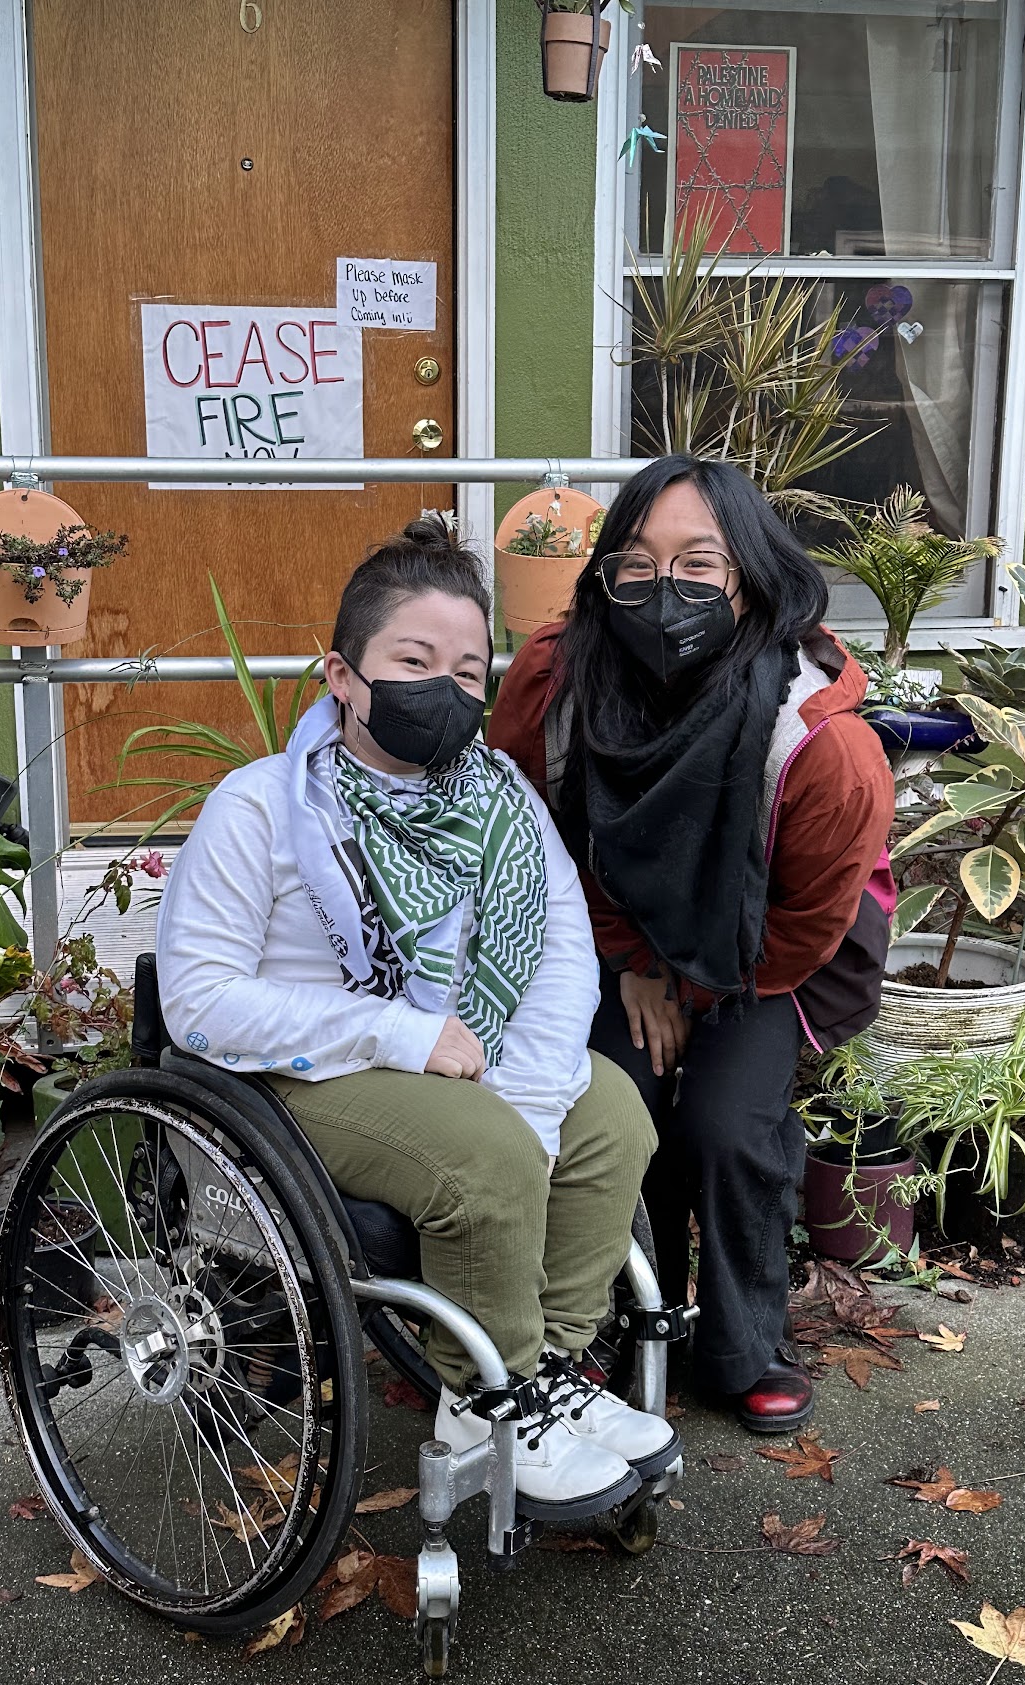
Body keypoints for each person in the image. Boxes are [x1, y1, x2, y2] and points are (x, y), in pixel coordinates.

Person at [155, 515, 680, 1521]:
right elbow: (201, 1000)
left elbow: (561, 953)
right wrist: (402, 1035)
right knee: (481, 1153)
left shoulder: (501, 799)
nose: (444, 687)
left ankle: (541, 1373)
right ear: (342, 675)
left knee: (610, 1108)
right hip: (290, 1072)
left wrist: (527, 1086)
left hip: (455, 1058)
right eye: (413, 658)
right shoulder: (260, 807)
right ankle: (484, 1397)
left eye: (467, 668)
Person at [488, 457, 896, 1434]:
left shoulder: (822, 744)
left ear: (747, 578)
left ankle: (740, 1344)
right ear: (601, 577)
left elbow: (806, 920)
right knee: (610, 1103)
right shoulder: (555, 677)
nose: (661, 590)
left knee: (722, 1121)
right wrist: (634, 961)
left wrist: (692, 988)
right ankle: (618, 1327)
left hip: (777, 953)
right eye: (633, 565)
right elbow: (531, 833)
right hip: (614, 930)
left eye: (697, 565)